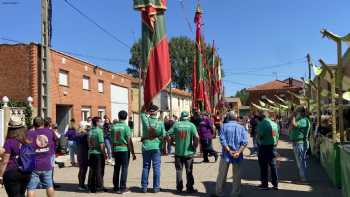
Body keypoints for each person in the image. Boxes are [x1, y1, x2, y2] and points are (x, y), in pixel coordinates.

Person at [214, 111, 248, 197]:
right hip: (238, 154)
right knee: (237, 176)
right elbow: (245, 142)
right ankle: (235, 194)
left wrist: (229, 151)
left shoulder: (224, 126)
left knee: (222, 174)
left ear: (228, 118)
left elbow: (222, 140)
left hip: (226, 154)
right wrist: (238, 152)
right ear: (236, 118)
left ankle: (219, 193)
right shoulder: (241, 127)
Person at [167, 111, 199, 193]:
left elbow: (167, 134)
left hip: (178, 152)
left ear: (181, 117)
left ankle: (179, 188)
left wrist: (172, 144)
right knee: (189, 171)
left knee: (179, 170)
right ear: (187, 117)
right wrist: (194, 146)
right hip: (189, 152)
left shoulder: (176, 125)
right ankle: (189, 188)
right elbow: (196, 137)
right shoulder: (191, 125)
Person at [26, 117, 55, 197]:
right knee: (49, 186)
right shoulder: (50, 131)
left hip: (33, 165)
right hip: (46, 163)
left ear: (34, 124)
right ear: (43, 123)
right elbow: (55, 141)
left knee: (31, 188)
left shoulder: (30, 133)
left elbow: (26, 148)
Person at [0, 124, 32, 197]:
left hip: (12, 171)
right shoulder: (27, 140)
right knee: (21, 194)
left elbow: (5, 161)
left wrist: (1, 176)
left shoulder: (9, 141)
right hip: (26, 171)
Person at [140, 104, 166, 193]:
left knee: (145, 167)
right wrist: (162, 146)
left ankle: (144, 187)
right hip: (156, 146)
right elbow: (164, 135)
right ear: (156, 112)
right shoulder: (160, 122)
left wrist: (146, 102)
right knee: (156, 168)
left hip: (146, 146)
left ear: (149, 112)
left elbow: (142, 111)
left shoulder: (145, 119)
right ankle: (156, 188)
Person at [110, 110, 137, 194]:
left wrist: (112, 151)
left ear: (118, 117)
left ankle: (115, 187)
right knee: (124, 168)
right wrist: (133, 153)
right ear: (125, 117)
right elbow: (129, 140)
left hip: (115, 149)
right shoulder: (126, 127)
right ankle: (122, 187)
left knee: (116, 168)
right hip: (124, 149)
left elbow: (111, 140)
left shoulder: (113, 127)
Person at [256, 111, 279, 190]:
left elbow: (259, 136)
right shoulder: (274, 124)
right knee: (273, 165)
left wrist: (259, 140)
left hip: (264, 146)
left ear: (262, 117)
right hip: (273, 146)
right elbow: (276, 136)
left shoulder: (261, 124)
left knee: (263, 166)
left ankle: (265, 184)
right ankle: (275, 184)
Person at [289, 106, 311, 182]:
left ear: (301, 112)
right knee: (300, 161)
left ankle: (303, 178)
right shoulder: (301, 119)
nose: (296, 113)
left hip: (300, 143)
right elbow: (292, 125)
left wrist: (293, 114)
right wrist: (293, 115)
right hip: (298, 143)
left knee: (301, 161)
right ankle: (302, 177)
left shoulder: (304, 120)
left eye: (297, 111)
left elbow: (294, 124)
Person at [87, 117, 107, 193]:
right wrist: (104, 154)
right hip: (98, 153)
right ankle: (99, 187)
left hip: (91, 152)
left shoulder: (90, 131)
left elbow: (88, 142)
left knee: (92, 170)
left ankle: (91, 187)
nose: (101, 122)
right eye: (100, 121)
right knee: (99, 170)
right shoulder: (99, 131)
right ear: (97, 122)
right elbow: (101, 144)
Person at [76, 121, 89, 191]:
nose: (88, 127)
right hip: (83, 153)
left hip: (80, 153)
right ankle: (81, 185)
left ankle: (81, 184)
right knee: (83, 169)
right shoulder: (84, 134)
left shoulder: (78, 133)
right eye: (87, 126)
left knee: (82, 169)